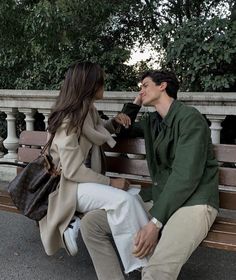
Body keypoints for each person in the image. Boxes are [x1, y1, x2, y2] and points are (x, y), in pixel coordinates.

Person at [80, 70, 219, 280]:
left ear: (162, 86)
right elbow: (123, 131)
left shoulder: (190, 119)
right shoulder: (153, 121)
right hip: (162, 198)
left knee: (156, 272)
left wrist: (155, 223)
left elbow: (185, 177)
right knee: (92, 223)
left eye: (145, 85)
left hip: (194, 203)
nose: (141, 90)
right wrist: (136, 103)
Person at [38, 61, 150, 274]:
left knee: (132, 198)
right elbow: (72, 171)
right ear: (90, 85)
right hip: (68, 188)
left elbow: (95, 133)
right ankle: (143, 264)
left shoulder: (87, 111)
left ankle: (145, 261)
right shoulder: (68, 120)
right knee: (124, 200)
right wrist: (111, 183)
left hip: (83, 183)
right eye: (101, 81)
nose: (104, 85)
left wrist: (115, 122)